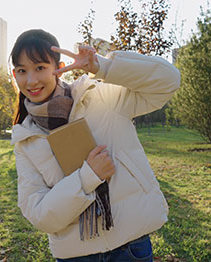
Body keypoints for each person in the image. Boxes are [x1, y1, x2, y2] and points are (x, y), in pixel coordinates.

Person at [10, 29, 180, 262]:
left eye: (40, 67)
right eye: (22, 71)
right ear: (14, 74)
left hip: (130, 247)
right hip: (75, 256)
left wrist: (103, 67)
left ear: (58, 67)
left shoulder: (99, 96)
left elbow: (168, 81)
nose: (31, 80)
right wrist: (87, 177)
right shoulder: (26, 138)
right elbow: (39, 214)